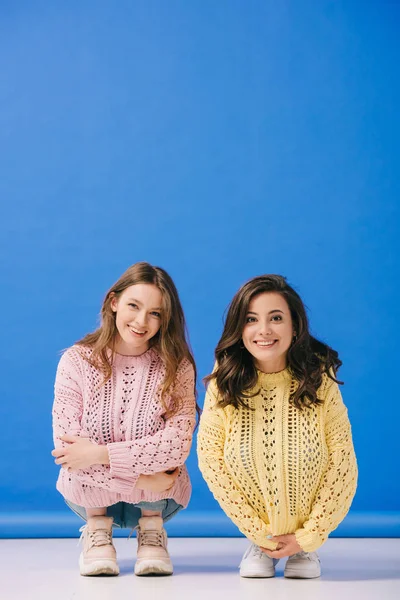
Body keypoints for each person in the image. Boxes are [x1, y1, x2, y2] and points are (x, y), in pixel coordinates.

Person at [197, 274, 357, 579]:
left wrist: (308, 536)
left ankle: (303, 548)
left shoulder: (318, 379)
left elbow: (342, 462)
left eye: (276, 318)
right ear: (239, 329)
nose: (264, 330)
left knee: (313, 452)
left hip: (308, 529)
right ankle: (262, 548)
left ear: (294, 326)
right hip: (258, 530)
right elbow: (210, 460)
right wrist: (259, 534)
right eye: (251, 319)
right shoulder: (225, 382)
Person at [51, 262, 197, 577]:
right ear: (114, 302)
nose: (142, 321)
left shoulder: (176, 366)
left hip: (160, 497)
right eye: (134, 306)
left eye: (156, 313)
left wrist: (101, 453)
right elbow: (69, 454)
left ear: (165, 319)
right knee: (81, 447)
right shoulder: (76, 362)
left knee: (155, 438)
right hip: (93, 492)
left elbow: (176, 446)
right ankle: (97, 529)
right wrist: (141, 480)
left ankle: (152, 529)